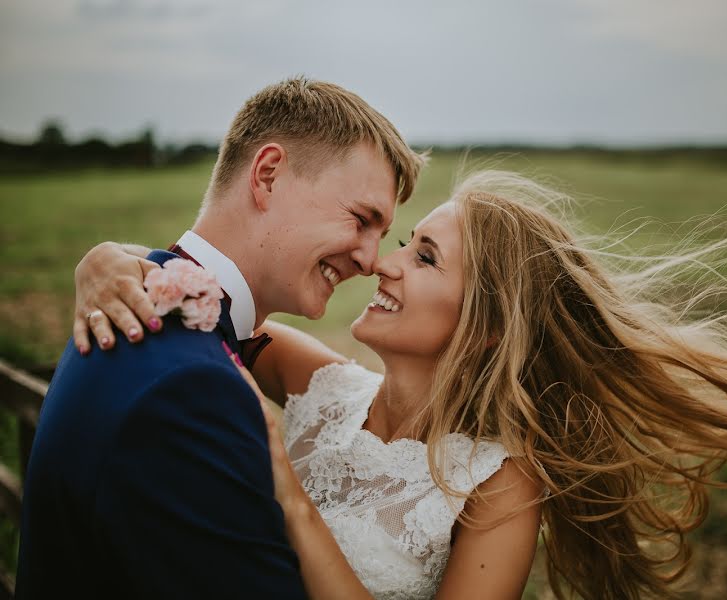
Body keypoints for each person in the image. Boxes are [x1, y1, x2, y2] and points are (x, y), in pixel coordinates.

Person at [73, 169, 727, 599]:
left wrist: (288, 498)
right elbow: (197, 296)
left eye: (424, 257)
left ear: (490, 324)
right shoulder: (316, 382)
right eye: (404, 240)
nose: (382, 263)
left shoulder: (502, 482)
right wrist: (106, 263)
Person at [15, 77, 425, 599]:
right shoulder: (191, 387)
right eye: (362, 219)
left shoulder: (148, 304)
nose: (371, 260)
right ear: (269, 174)